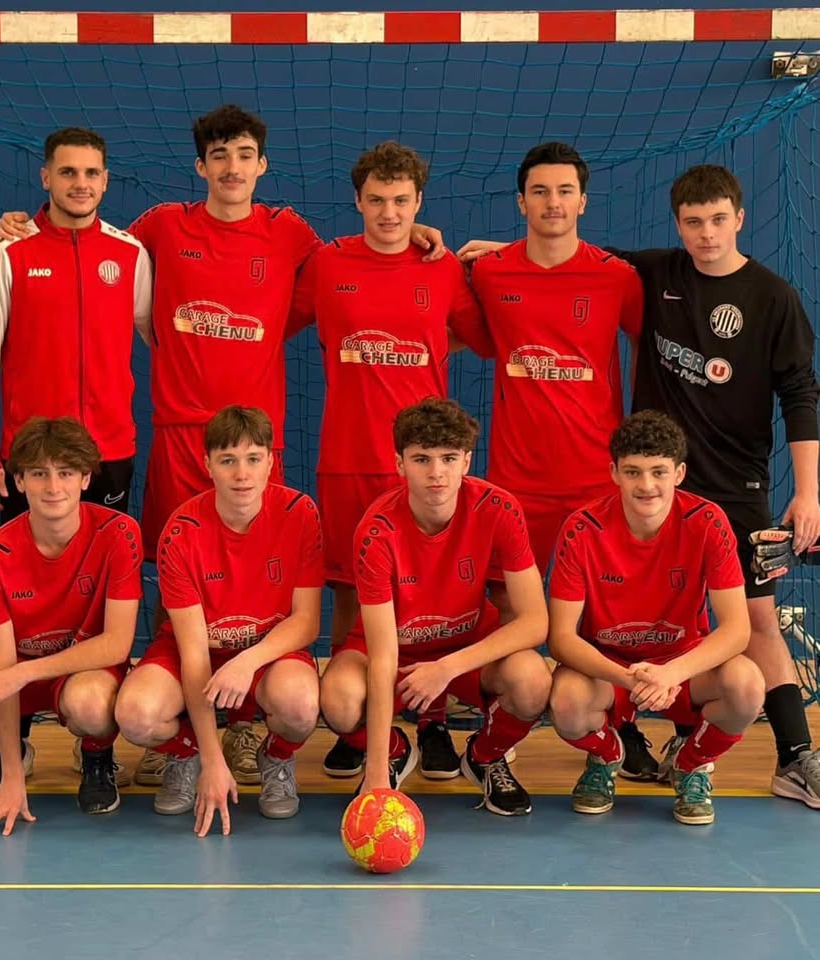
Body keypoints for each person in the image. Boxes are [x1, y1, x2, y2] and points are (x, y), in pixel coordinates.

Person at [0, 107, 441, 789]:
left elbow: (367, 257)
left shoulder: (290, 234)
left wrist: (420, 239)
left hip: (253, 447)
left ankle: (247, 734)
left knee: (260, 587)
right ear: (200, 166)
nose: (233, 167)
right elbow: (84, 235)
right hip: (179, 439)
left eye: (245, 154)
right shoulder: (160, 228)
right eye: (219, 155)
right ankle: (172, 730)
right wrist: (26, 221)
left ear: (262, 165)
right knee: (175, 589)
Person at [458, 163, 820, 803]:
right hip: (642, 473)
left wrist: (809, 490)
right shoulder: (653, 274)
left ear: (738, 218)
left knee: (756, 619)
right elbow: (576, 254)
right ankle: (525, 745)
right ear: (677, 225)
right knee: (576, 613)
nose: (706, 234)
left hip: (734, 481)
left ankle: (794, 756)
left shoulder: (772, 296)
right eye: (692, 222)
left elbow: (799, 391)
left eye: (717, 220)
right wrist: (504, 252)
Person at [288, 141, 490, 782]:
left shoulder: (442, 268)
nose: (388, 212)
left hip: (425, 463)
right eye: (376, 200)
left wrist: (497, 261)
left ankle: (432, 724)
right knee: (351, 595)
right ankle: (367, 726)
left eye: (401, 201)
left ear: (419, 202)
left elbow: (484, 335)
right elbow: (269, 315)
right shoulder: (326, 263)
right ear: (357, 201)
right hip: (348, 457)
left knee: (433, 590)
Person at [0, 126, 150, 794]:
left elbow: (160, 337)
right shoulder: (10, 252)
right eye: (67, 173)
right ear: (45, 178)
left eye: (92, 174)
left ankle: (95, 746)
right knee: (25, 606)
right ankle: (3, 747)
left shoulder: (131, 254)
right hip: (29, 462)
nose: (80, 185)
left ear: (105, 180)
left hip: (111, 457)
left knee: (102, 611)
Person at [319, 398, 551, 816]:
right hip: (393, 650)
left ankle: (484, 757)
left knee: (532, 679)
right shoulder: (376, 530)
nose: (436, 473)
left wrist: (448, 667)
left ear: (466, 461)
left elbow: (536, 622)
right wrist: (373, 771)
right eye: (421, 459)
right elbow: (385, 652)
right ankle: (393, 753)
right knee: (337, 698)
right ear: (399, 464)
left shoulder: (498, 509)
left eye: (448, 458)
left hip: (464, 648)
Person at [548, 410, 765, 824]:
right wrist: (629, 679)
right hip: (610, 671)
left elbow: (737, 630)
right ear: (613, 472)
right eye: (633, 472)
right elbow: (560, 638)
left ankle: (691, 762)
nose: (646, 486)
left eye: (658, 472)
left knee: (747, 686)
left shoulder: (707, 522)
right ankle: (607, 756)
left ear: (679, 473)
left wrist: (671, 673)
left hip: (682, 667)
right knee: (566, 702)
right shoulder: (582, 528)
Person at [113, 406, 322, 836]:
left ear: (271, 463)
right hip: (200, 653)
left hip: (268, 653)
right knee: (136, 715)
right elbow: (193, 654)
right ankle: (185, 754)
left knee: (300, 705)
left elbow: (305, 623)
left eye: (253, 459)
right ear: (208, 465)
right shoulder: (180, 532)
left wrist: (249, 661)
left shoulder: (300, 514)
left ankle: (277, 758)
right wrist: (212, 758)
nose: (241, 474)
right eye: (228, 460)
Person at [468, 142, 643, 612]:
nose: (553, 202)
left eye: (565, 191)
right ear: (522, 202)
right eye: (540, 191)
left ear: (583, 201)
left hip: (595, 478)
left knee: (602, 607)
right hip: (516, 481)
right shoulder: (489, 272)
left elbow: (647, 343)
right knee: (506, 604)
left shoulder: (617, 277)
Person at [0, 417, 143, 834]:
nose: (53, 487)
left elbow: (115, 645)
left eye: (65, 473)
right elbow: (2, 670)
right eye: (39, 473)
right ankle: (2, 757)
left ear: (86, 478)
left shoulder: (120, 534)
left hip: (80, 668)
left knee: (93, 705)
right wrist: (12, 782)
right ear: (19, 481)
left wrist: (25, 673)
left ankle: (97, 758)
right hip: (16, 661)